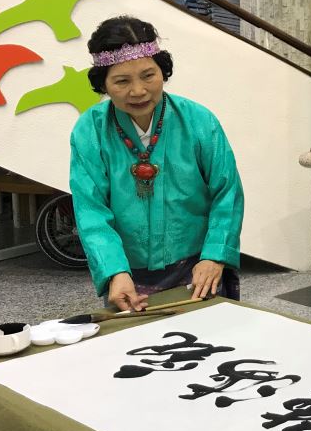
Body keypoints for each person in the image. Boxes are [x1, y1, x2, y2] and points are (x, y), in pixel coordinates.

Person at [69, 16, 244, 312]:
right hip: (127, 275)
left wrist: (215, 255)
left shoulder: (199, 121)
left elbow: (227, 193)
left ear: (163, 71)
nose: (138, 91)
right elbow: (91, 210)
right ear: (103, 84)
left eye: (148, 75)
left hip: (199, 268)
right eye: (122, 81)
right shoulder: (90, 131)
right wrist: (114, 271)